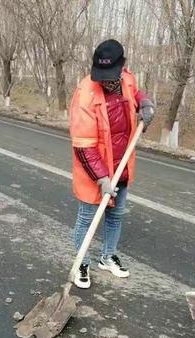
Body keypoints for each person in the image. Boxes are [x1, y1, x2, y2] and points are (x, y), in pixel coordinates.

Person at [69, 39, 155, 289]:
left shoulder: (126, 79)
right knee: (87, 218)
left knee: (115, 216)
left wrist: (145, 103)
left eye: (110, 76)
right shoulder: (85, 93)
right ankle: (81, 262)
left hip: (122, 164)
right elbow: (83, 145)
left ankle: (107, 256)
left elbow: (136, 93)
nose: (106, 81)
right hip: (93, 169)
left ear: (122, 67)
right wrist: (102, 179)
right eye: (102, 76)